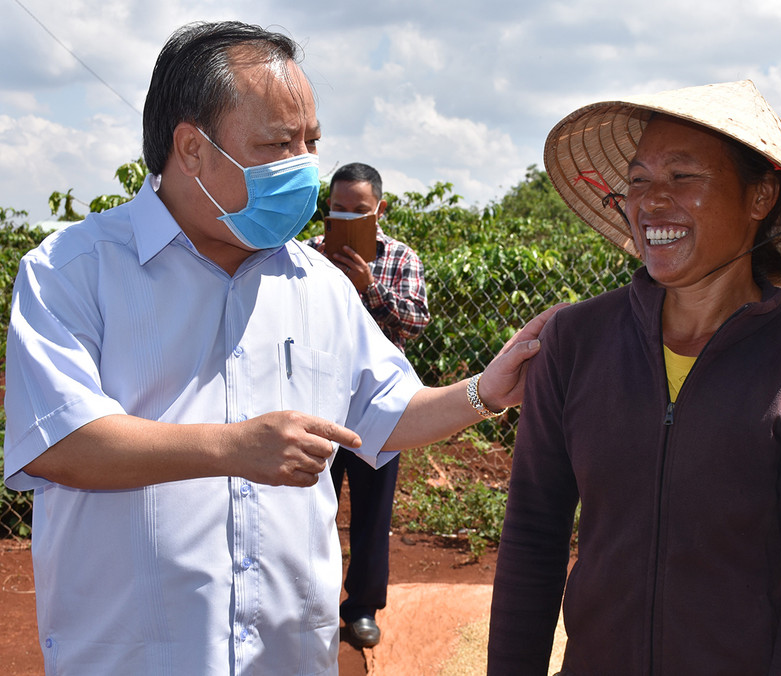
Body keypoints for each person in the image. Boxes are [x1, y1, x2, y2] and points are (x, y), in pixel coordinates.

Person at [2, 21, 557, 676]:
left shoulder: (316, 282)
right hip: (133, 657)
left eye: (310, 142)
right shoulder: (72, 271)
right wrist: (234, 448)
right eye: (277, 144)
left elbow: (382, 410)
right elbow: (62, 445)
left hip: (288, 657)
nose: (303, 167)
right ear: (190, 149)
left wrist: (483, 392)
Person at [487, 80, 781, 675]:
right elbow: (534, 536)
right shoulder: (574, 344)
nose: (651, 201)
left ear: (760, 197)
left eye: (683, 177)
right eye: (638, 180)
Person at [306, 162, 431, 647]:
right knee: (311, 507)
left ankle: (361, 608)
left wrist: (367, 290)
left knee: (373, 514)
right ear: (327, 210)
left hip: (380, 404)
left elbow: (415, 322)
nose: (349, 216)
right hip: (317, 402)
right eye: (339, 208)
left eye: (360, 210)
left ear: (380, 209)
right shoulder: (309, 256)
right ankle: (309, 603)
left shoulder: (400, 258)